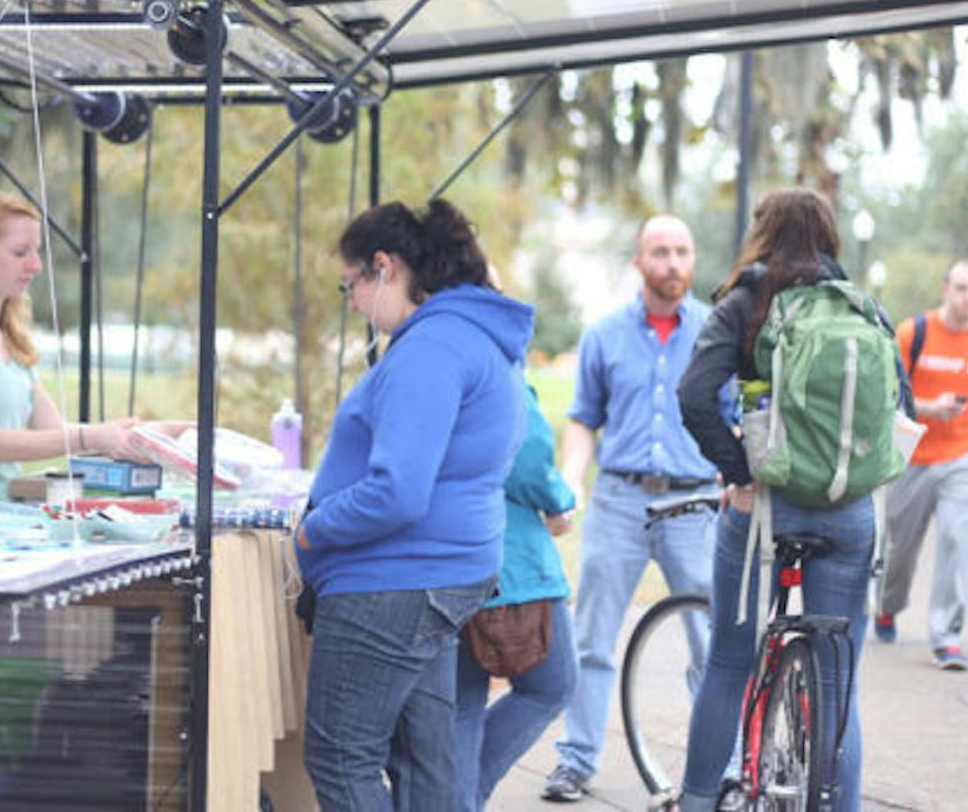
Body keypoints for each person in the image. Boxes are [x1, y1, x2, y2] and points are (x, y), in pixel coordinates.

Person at [293, 199, 533, 811]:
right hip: (438, 574)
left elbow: (398, 491)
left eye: (349, 286)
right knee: (425, 761)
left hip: (394, 581)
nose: (351, 303)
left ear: (384, 267)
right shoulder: (471, 335)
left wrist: (314, 530)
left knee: (341, 756)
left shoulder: (431, 347)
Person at [672, 186, 886, 812]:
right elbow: (899, 404)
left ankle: (696, 802)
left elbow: (693, 395)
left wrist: (739, 469)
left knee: (729, 664)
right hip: (849, 512)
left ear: (762, 233)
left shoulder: (745, 303)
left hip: (765, 507)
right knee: (837, 685)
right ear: (830, 237)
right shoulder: (863, 307)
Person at [543, 215, 720, 803]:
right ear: (639, 262)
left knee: (709, 639)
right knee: (590, 636)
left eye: (682, 251)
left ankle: (714, 767)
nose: (673, 263)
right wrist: (572, 481)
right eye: (660, 252)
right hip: (619, 499)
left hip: (694, 501)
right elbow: (583, 420)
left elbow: (738, 419)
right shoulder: (603, 335)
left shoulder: (717, 332)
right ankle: (575, 760)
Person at [0, 189, 157, 510]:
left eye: (37, 252)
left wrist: (131, 434)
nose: (36, 265)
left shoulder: (11, 338)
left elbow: (55, 432)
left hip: (7, 516)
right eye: (20, 252)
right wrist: (93, 436)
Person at [874, 260, 968, 670]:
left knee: (956, 540)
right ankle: (887, 605)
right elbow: (887, 391)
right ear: (945, 287)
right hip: (910, 458)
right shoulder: (912, 333)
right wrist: (930, 408)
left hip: (962, 460)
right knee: (900, 550)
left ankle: (947, 637)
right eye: (961, 287)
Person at [454, 384, 577, 810]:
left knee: (461, 705)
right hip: (510, 562)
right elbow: (527, 457)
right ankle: (461, 798)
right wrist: (559, 500)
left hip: (446, 554)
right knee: (552, 682)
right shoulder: (496, 358)